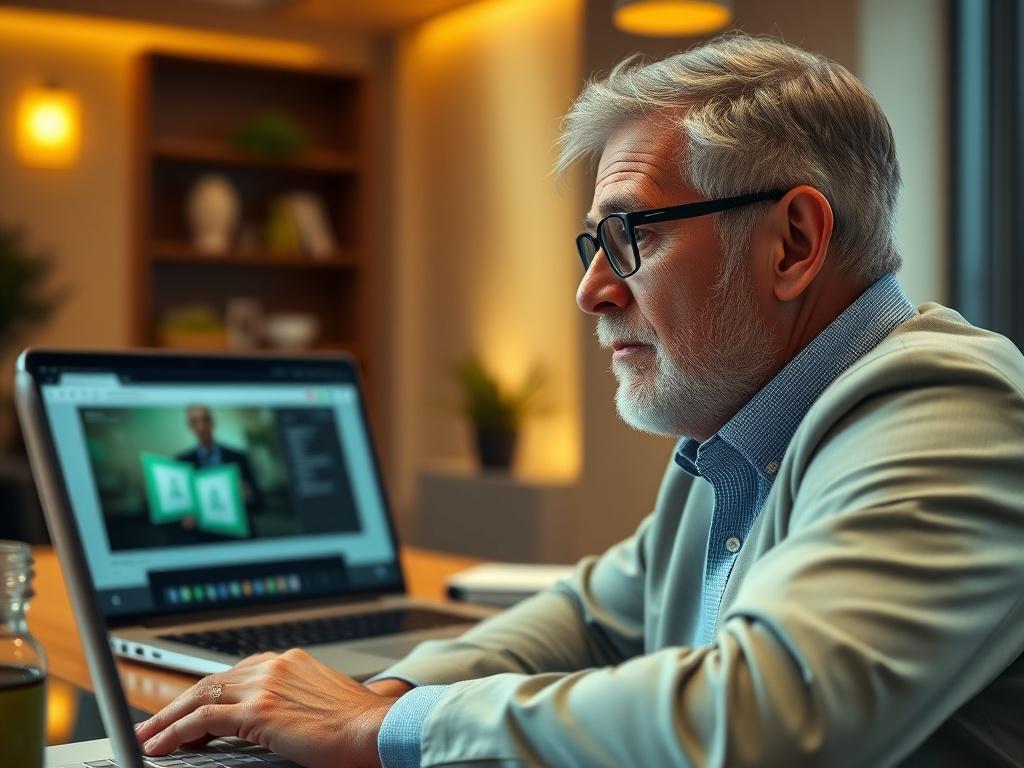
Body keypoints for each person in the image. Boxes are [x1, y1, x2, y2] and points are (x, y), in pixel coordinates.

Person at [134, 34, 1024, 768]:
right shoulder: (744, 437)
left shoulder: (947, 409)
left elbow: (768, 718)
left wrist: (382, 729)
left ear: (792, 241)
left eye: (629, 235)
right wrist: (380, 694)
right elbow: (592, 616)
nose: (592, 290)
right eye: (592, 245)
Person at [175, 404, 263, 532]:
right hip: (203, 535)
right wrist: (185, 515)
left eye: (205, 420)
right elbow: (179, 512)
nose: (201, 427)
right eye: (195, 422)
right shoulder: (181, 463)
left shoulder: (239, 457)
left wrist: (248, 495)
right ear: (190, 426)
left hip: (238, 532)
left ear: (213, 422)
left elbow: (260, 504)